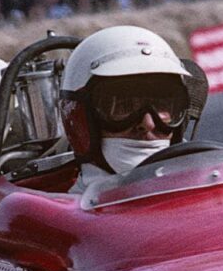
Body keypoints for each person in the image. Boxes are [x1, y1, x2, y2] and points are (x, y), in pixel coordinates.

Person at [57, 25, 196, 195]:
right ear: (81, 120)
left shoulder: (201, 188)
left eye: (161, 106)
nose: (148, 124)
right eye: (124, 106)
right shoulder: (59, 210)